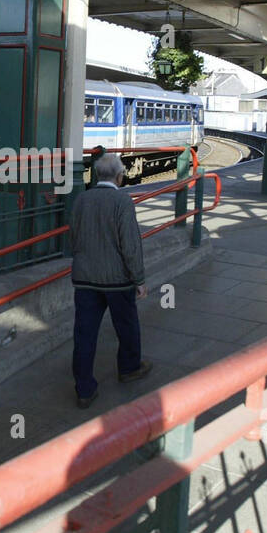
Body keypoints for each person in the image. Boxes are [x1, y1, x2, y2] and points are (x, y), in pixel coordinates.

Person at [68, 150, 151, 409]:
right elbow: (130, 245)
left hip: (85, 279)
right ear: (119, 176)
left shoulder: (82, 199)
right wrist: (139, 279)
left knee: (84, 334)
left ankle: (84, 389)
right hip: (117, 280)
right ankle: (128, 368)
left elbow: (74, 236)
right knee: (126, 326)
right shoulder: (123, 202)